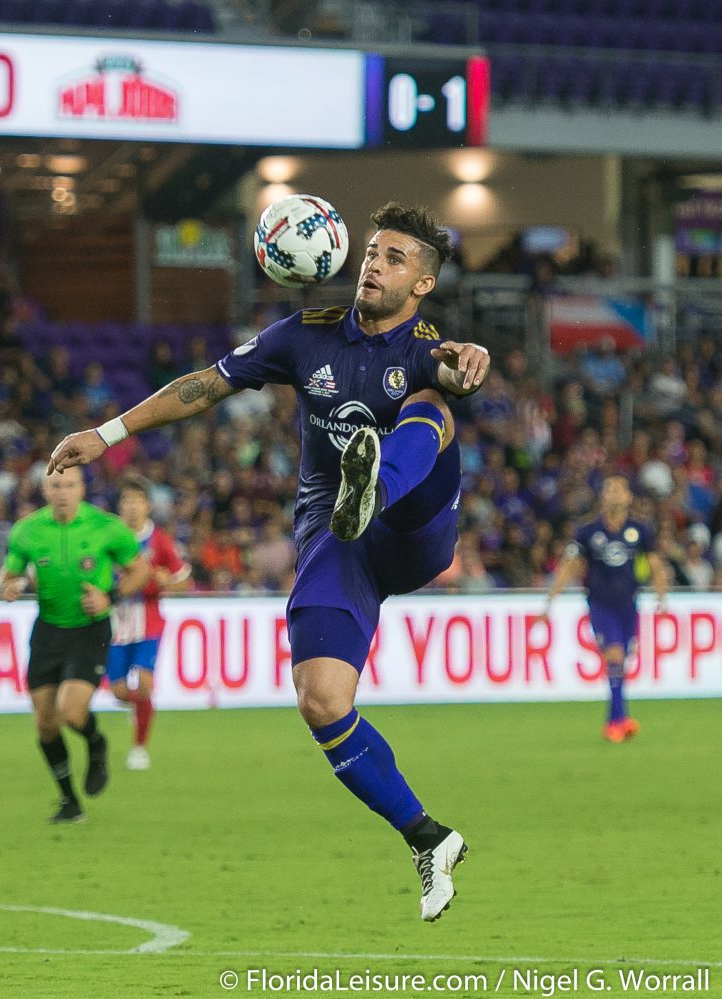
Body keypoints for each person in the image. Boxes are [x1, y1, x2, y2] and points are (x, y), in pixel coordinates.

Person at [48, 201, 491, 921]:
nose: (375, 264)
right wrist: (109, 431)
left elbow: (463, 368)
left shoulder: (428, 348)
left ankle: (373, 483)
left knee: (433, 407)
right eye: (373, 251)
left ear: (422, 286)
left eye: (395, 258)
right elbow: (203, 385)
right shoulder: (302, 337)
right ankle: (428, 837)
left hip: (411, 527)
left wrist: (473, 363)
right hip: (334, 533)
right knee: (321, 700)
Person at [0, 467, 150, 824]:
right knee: (45, 724)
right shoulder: (28, 530)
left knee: (71, 712)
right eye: (55, 486)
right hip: (48, 631)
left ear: (81, 489)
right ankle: (69, 802)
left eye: (69, 485)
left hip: (89, 630)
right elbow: (8, 572)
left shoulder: (106, 526)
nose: (62, 492)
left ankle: (96, 744)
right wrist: (8, 584)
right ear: (45, 490)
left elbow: (140, 570)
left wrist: (110, 596)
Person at [541, 474, 668, 742]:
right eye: (609, 488)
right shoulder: (587, 531)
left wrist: (662, 597)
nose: (613, 493)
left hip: (628, 605)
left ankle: (618, 718)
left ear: (628, 497)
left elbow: (655, 564)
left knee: (621, 662)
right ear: (602, 496)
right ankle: (615, 722)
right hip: (600, 605)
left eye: (618, 489)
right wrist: (550, 599)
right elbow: (570, 566)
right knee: (614, 656)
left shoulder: (640, 530)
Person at [109, 475, 191, 771]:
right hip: (115, 624)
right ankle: (142, 710)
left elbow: (183, 581)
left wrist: (165, 581)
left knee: (144, 685)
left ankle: (139, 748)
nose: (131, 507)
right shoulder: (110, 537)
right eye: (126, 501)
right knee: (119, 692)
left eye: (137, 501)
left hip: (149, 622)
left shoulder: (160, 540)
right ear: (120, 507)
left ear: (147, 506)